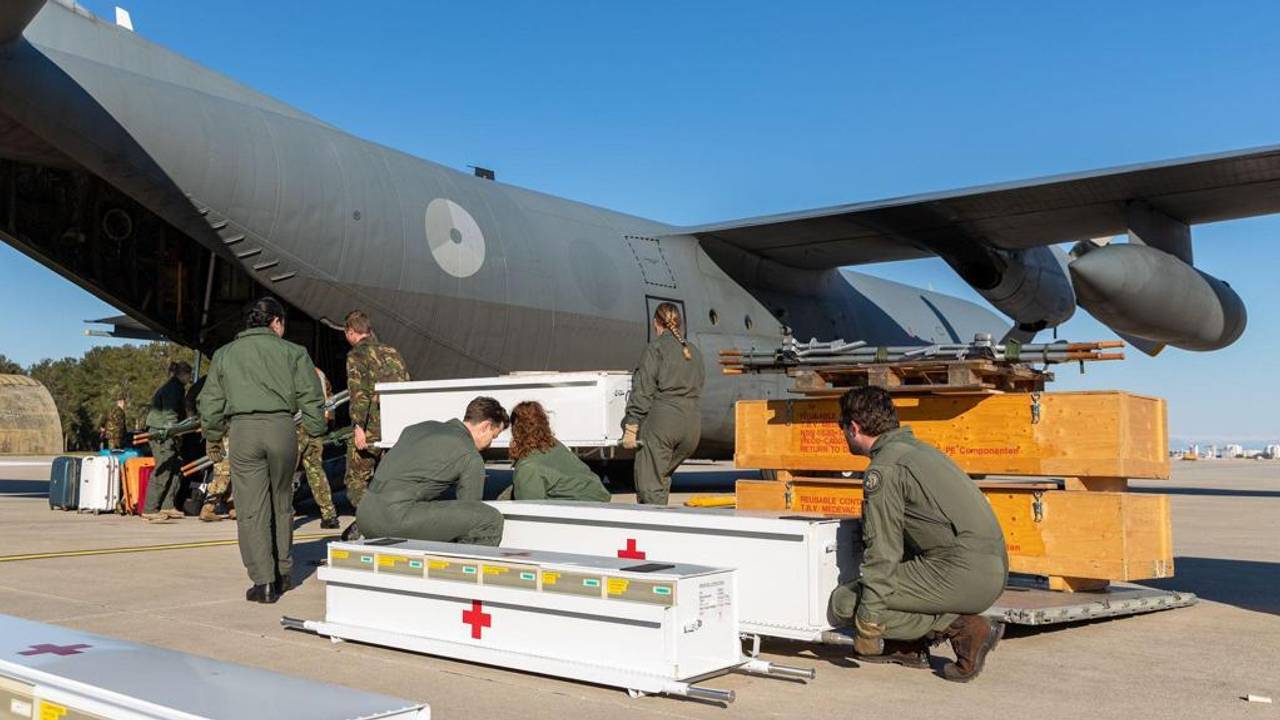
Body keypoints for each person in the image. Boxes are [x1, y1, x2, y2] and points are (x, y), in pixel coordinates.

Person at [829, 386, 1008, 682]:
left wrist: (869, 625)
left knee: (845, 602)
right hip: (993, 570)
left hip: (963, 574)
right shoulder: (920, 451)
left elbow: (882, 554)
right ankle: (910, 646)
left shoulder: (884, 469)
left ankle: (961, 627)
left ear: (854, 427)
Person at [197, 297, 326, 604]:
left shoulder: (225, 354)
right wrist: (316, 429)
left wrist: (213, 435)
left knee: (251, 509)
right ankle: (284, 572)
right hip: (282, 428)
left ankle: (263, 581)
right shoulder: (295, 353)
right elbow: (312, 396)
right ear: (276, 322)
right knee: (282, 502)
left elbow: (210, 402)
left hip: (244, 431)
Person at [356, 396, 507, 546]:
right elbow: (470, 509)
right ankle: (460, 567)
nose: (490, 443)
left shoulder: (420, 428)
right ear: (485, 426)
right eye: (493, 436)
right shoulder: (470, 455)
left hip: (364, 514)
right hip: (393, 519)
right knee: (488, 520)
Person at [621, 302, 704, 505]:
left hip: (664, 425)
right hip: (691, 427)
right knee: (661, 478)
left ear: (656, 323)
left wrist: (631, 424)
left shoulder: (655, 349)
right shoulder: (693, 352)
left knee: (648, 485)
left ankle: (651, 532)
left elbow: (643, 389)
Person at [342, 310, 410, 538]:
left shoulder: (356, 355)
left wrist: (358, 427)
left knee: (355, 479)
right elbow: (406, 385)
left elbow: (358, 394)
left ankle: (369, 522)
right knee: (389, 479)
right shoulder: (393, 352)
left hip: (371, 428)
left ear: (351, 332)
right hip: (396, 428)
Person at [506, 401, 610, 502]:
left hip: (582, 511)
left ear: (515, 430)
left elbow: (529, 511)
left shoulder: (527, 466)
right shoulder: (554, 444)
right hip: (600, 498)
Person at [143, 361, 192, 522]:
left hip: (168, 432)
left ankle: (167, 505)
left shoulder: (176, 387)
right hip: (162, 433)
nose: (189, 378)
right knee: (163, 468)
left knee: (175, 467)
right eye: (188, 375)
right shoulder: (173, 388)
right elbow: (170, 412)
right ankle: (150, 508)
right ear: (183, 374)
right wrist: (174, 431)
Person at [298, 367, 339, 529]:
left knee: (284, 471)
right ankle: (329, 514)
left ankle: (283, 512)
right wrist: (328, 419)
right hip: (315, 425)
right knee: (315, 469)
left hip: (295, 425)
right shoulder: (319, 373)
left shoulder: (289, 370)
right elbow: (329, 397)